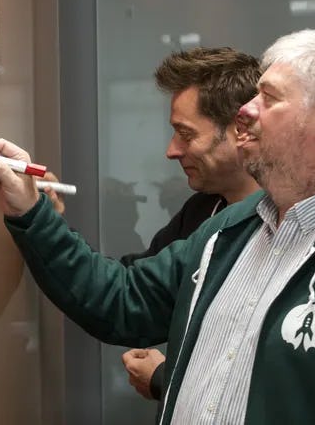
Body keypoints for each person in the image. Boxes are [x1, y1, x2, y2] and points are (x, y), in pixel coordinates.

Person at [0, 28, 315, 424]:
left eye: (268, 97)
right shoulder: (229, 231)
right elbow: (119, 300)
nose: (247, 111)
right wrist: (28, 208)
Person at [118, 47, 260, 401]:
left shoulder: (289, 225)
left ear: (239, 130)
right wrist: (40, 216)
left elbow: (265, 378)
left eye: (186, 133)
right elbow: (125, 291)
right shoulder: (203, 212)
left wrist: (165, 378)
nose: (172, 150)